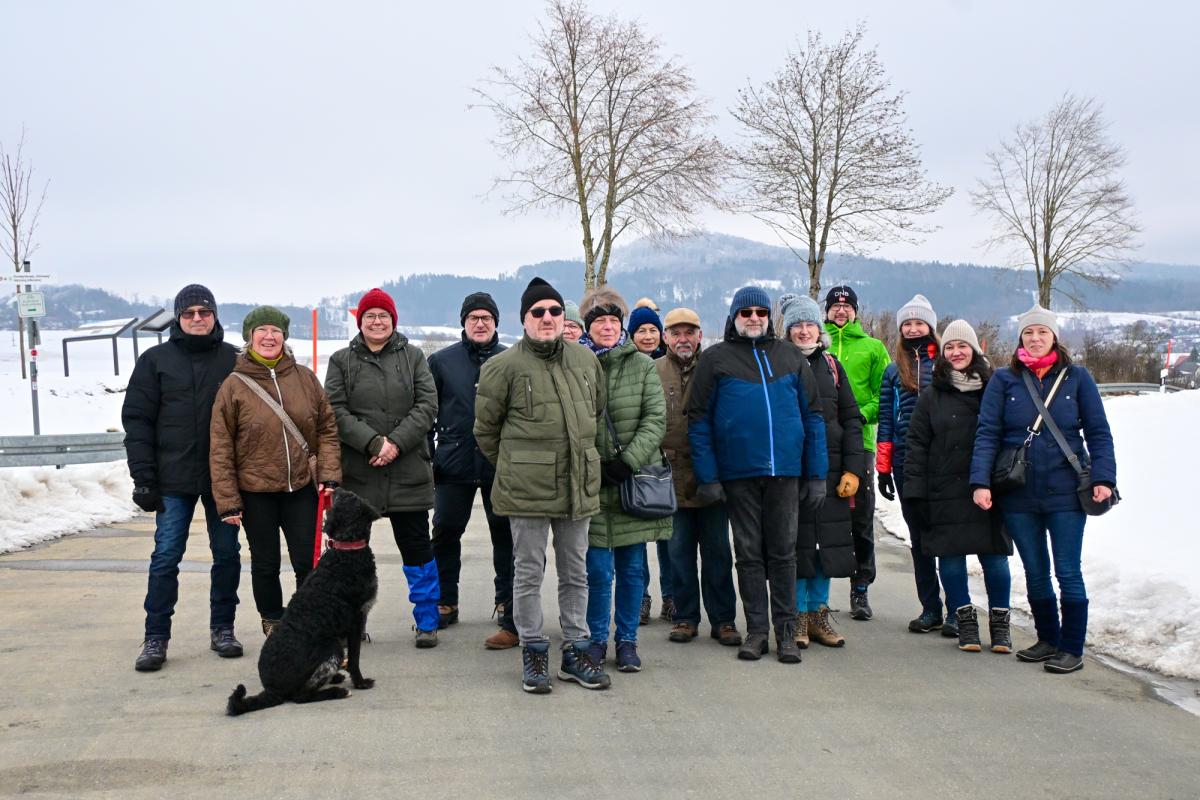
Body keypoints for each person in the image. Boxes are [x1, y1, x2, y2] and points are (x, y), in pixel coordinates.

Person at [474, 277, 612, 693]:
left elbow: (597, 413)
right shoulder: (501, 367)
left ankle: (575, 651)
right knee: (529, 572)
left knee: (576, 573)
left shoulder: (587, 362)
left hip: (578, 485)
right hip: (527, 490)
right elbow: (485, 432)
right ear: (524, 320)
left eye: (554, 311)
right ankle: (533, 651)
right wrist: (520, 467)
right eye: (538, 312)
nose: (548, 318)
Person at [971, 305, 1117, 674]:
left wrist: (1104, 478)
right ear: (1020, 338)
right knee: (1035, 571)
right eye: (1028, 333)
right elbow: (987, 433)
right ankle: (1048, 639)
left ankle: (1072, 648)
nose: (1035, 339)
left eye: (1043, 333)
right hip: (1018, 492)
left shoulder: (1077, 378)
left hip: (1066, 492)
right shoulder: (1003, 380)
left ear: (1055, 337)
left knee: (1068, 571)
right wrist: (980, 482)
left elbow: (1098, 433)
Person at [687, 286, 828, 663]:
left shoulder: (789, 357)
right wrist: (708, 475)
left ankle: (785, 633)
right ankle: (757, 632)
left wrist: (817, 474)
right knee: (748, 554)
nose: (754, 318)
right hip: (738, 474)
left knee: (784, 553)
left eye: (761, 313)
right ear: (734, 317)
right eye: (746, 312)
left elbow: (813, 416)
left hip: (786, 471)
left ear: (769, 318)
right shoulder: (716, 359)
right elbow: (698, 420)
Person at [124, 284, 242, 672]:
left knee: (226, 555)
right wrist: (143, 478)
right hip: (172, 478)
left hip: (222, 479)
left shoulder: (234, 360)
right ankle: (155, 637)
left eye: (203, 312)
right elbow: (138, 421)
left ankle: (223, 628)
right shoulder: (155, 360)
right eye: (188, 313)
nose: (196, 319)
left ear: (214, 316)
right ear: (178, 317)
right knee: (165, 557)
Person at [210, 306, 341, 639]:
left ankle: (308, 620)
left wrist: (328, 474)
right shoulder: (233, 386)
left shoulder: (305, 377)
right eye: (261, 331)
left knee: (308, 562)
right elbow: (221, 445)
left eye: (276, 331)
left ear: (285, 336)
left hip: (300, 489)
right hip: (255, 492)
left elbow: (327, 427)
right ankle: (274, 623)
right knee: (265, 564)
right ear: (249, 337)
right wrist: (228, 501)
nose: (269, 337)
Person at [324, 288, 441, 647]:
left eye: (384, 316)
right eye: (370, 316)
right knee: (349, 556)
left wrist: (395, 444)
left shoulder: (414, 357)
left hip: (407, 471)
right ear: (360, 321)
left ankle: (426, 621)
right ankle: (349, 624)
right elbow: (335, 409)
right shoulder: (341, 360)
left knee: (418, 549)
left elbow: (427, 404)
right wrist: (374, 443)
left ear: (394, 320)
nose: (377, 322)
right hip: (360, 472)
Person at [903, 320, 1013, 653]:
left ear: (975, 349)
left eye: (962, 346)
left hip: (986, 488)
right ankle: (964, 622)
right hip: (943, 488)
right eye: (950, 347)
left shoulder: (995, 389)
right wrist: (915, 492)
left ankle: (1000, 625)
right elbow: (917, 445)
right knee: (949, 558)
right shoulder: (932, 396)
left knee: (994, 557)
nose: (956, 352)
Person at [577, 287, 670, 672]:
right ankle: (597, 640)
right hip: (591, 484)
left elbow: (655, 419)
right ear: (588, 326)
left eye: (614, 321)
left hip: (632, 484)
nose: (608, 327)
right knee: (597, 571)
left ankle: (627, 641)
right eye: (600, 321)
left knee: (632, 569)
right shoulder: (575, 364)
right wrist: (591, 464)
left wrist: (627, 462)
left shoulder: (643, 365)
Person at [426, 292, 518, 649]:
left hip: (500, 464)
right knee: (446, 531)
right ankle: (446, 600)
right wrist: (431, 455)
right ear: (463, 322)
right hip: (454, 462)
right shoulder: (442, 361)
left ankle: (506, 600)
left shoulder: (511, 359)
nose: (480, 324)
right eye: (473, 318)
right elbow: (427, 412)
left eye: (487, 318)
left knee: (505, 533)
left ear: (496, 322)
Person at [778, 294, 864, 649]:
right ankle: (797, 615)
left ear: (819, 327)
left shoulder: (832, 366)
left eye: (809, 324)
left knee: (827, 542)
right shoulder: (778, 362)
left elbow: (851, 420)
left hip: (831, 471)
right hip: (792, 470)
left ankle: (818, 613)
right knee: (796, 543)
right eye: (797, 325)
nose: (803, 331)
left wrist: (853, 469)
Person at [657, 307, 741, 648]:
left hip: (712, 476)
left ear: (700, 336)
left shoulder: (717, 366)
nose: (683, 339)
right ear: (665, 338)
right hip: (670, 476)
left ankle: (723, 620)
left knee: (718, 550)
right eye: (675, 333)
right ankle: (685, 617)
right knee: (678, 552)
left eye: (689, 332)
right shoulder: (654, 371)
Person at [876, 294, 951, 636]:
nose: (913, 328)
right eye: (907, 323)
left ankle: (958, 610)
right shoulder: (894, 371)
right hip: (907, 463)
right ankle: (930, 607)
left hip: (946, 461)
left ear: (931, 327)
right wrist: (883, 467)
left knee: (949, 535)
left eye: (919, 322)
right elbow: (886, 422)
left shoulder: (948, 365)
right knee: (919, 538)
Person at [824, 286, 890, 620]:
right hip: (820, 444)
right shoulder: (814, 346)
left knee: (859, 518)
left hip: (859, 443)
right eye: (834, 305)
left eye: (846, 306)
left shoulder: (873, 348)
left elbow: (885, 394)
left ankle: (860, 587)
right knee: (816, 516)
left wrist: (859, 414)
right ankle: (814, 593)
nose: (840, 310)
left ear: (855, 311)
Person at [626, 301, 673, 622]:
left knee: (667, 536)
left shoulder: (671, 364)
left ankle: (671, 595)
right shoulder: (626, 367)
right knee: (638, 535)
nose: (647, 335)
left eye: (652, 330)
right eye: (641, 330)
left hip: (668, 461)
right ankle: (641, 597)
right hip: (636, 459)